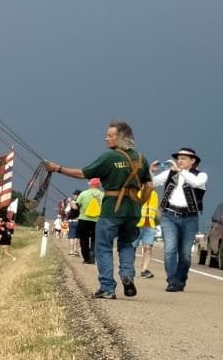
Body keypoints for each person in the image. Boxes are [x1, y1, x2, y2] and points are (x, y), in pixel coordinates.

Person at [46, 121, 149, 299]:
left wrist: (58, 169)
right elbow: (148, 185)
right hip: (133, 211)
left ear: (122, 137)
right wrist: (140, 203)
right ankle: (127, 275)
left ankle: (108, 287)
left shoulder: (110, 157)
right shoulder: (141, 158)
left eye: (110, 135)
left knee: (103, 247)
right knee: (127, 244)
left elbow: (83, 173)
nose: (106, 138)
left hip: (111, 209)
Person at [152, 147, 208, 292]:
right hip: (169, 216)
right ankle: (172, 281)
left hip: (190, 218)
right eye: (178, 158)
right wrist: (150, 171)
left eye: (183, 158)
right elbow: (152, 183)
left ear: (192, 161)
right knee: (170, 250)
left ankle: (181, 279)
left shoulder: (201, 175)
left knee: (185, 254)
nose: (179, 161)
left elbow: (195, 183)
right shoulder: (170, 173)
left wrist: (180, 171)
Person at [75, 179, 103, 264]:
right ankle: (92, 255)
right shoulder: (102, 195)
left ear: (91, 185)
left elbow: (76, 206)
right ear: (98, 185)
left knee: (84, 239)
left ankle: (86, 258)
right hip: (97, 220)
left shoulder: (83, 193)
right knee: (95, 239)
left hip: (84, 219)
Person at [135, 183, 159, 280]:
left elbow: (156, 210)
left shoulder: (155, 195)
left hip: (150, 225)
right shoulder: (138, 193)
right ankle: (128, 268)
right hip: (137, 224)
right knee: (132, 247)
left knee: (148, 247)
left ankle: (144, 269)